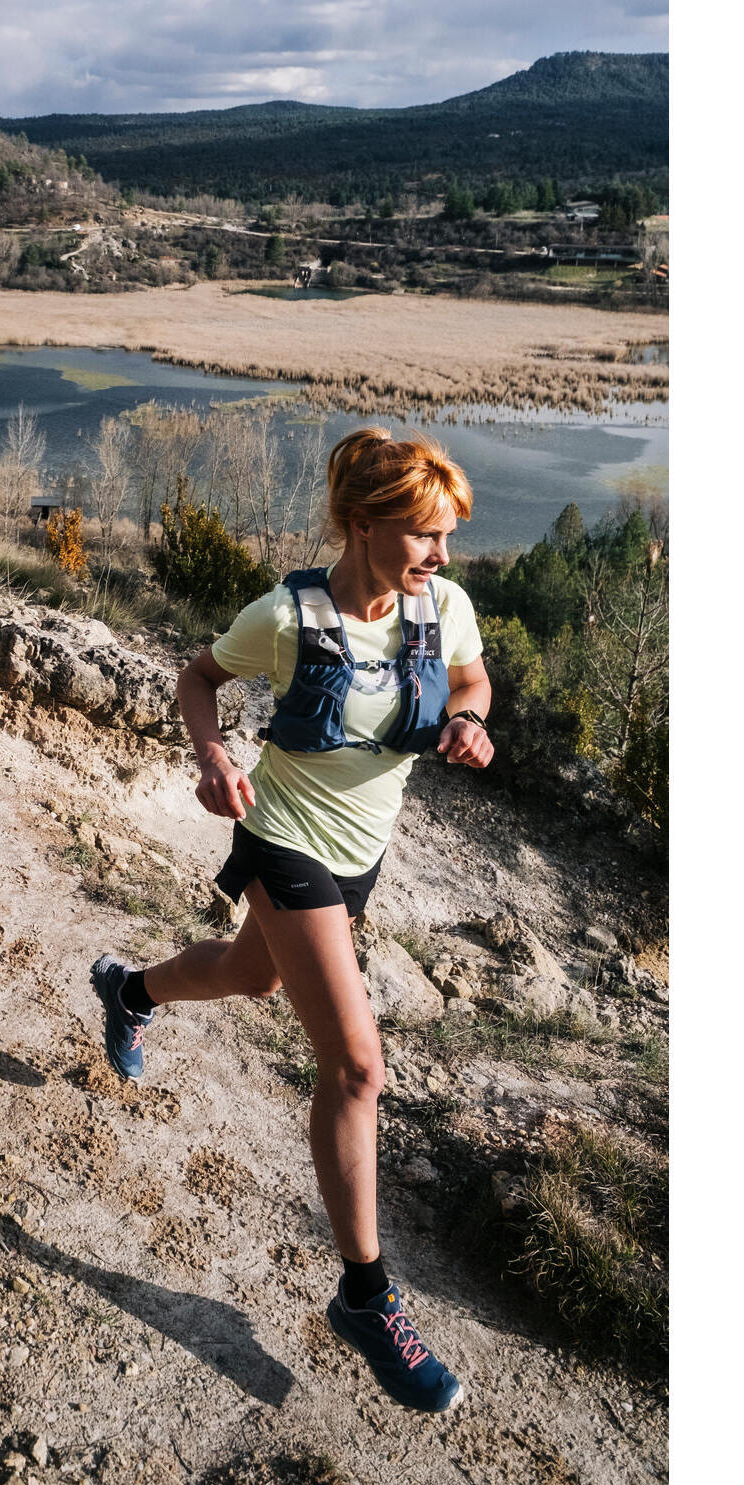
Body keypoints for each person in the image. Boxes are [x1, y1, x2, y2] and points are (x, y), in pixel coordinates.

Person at [90, 428, 494, 1415]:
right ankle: (363, 1296)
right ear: (363, 523)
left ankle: (127, 988)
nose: (439, 556)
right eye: (424, 535)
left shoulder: (440, 606)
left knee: (246, 972)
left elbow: (472, 679)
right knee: (356, 1065)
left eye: (445, 538)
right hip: (284, 840)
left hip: (364, 854)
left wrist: (471, 718)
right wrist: (213, 757)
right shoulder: (284, 614)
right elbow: (196, 677)